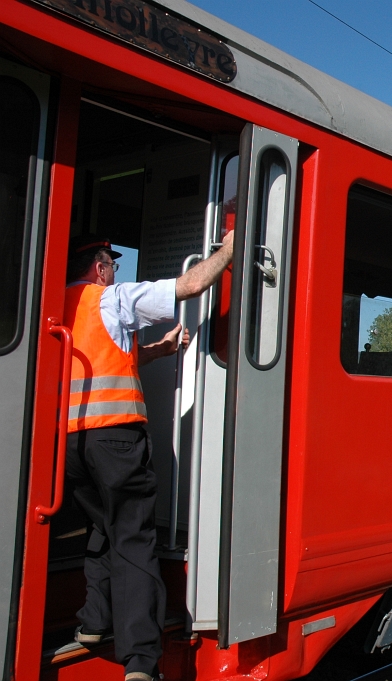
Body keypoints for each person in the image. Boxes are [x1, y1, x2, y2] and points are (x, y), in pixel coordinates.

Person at [63, 232, 233, 681]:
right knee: (134, 538)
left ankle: (94, 624)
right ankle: (141, 660)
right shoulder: (110, 298)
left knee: (102, 526)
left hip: (71, 445)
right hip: (117, 439)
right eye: (111, 265)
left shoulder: (59, 306)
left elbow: (112, 360)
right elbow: (191, 284)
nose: (115, 272)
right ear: (100, 268)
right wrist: (229, 251)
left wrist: (160, 349)